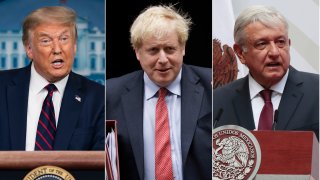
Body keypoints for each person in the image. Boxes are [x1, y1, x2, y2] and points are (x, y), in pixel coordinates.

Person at [106, 5, 212, 180]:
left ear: (183, 48)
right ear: (137, 52)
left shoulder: (213, 85)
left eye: (170, 49)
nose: (163, 60)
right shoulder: (111, 94)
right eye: (153, 50)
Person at [0, 6, 105, 150]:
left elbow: (99, 165)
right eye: (46, 41)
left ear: (74, 46)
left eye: (64, 39)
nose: (57, 49)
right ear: (29, 49)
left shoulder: (99, 98)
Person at [213, 5, 319, 139]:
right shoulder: (218, 102)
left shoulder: (317, 90)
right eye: (262, 44)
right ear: (240, 53)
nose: (274, 52)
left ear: (289, 44)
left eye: (281, 42)